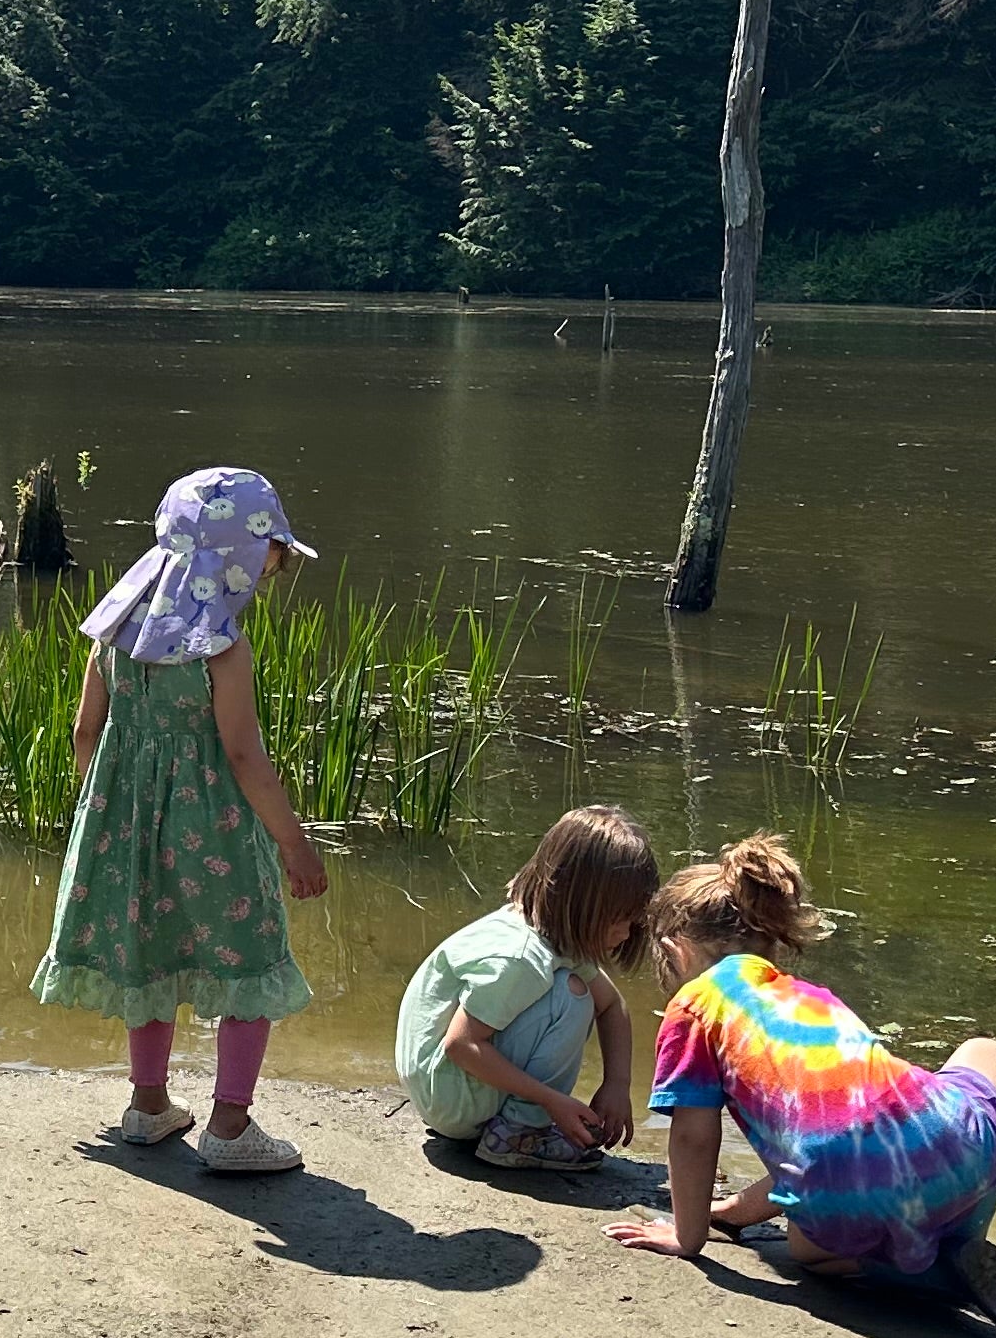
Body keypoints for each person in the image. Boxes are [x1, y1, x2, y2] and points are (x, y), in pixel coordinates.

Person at [606, 833, 996, 1338]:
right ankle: (964, 1237)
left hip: (843, 1198)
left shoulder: (695, 1006)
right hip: (953, 1148)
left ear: (676, 949)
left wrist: (688, 1234)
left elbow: (695, 1137)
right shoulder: (810, 1000)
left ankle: (945, 1274)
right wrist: (733, 1212)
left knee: (810, 1249)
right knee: (988, 1052)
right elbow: (843, 1129)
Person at [34, 466, 333, 1173]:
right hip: (216, 834)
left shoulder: (113, 633)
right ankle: (230, 1126)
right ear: (237, 560)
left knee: (149, 952)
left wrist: (105, 814)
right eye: (269, 560)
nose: (270, 575)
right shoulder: (221, 647)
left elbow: (84, 731)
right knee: (247, 955)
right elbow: (243, 755)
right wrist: (295, 845)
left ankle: (148, 1106)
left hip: (126, 828)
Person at [393, 805, 656, 1170]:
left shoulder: (549, 931)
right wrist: (550, 1101)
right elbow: (461, 1044)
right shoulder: (520, 958)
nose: (627, 934)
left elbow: (613, 1006)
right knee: (573, 996)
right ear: (581, 903)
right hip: (449, 1098)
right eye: (620, 920)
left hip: (442, 1089)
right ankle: (520, 1132)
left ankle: (509, 1121)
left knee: (576, 989)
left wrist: (617, 1084)